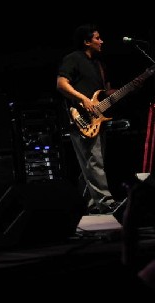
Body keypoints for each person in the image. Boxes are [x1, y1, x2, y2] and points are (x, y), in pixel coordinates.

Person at [56, 23, 121, 215]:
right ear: (86, 42)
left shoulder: (100, 65)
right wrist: (83, 98)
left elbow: (104, 93)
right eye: (97, 38)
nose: (101, 41)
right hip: (81, 118)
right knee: (94, 161)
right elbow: (61, 84)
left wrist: (127, 89)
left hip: (97, 118)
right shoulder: (73, 59)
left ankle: (87, 203)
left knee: (91, 162)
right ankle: (106, 202)